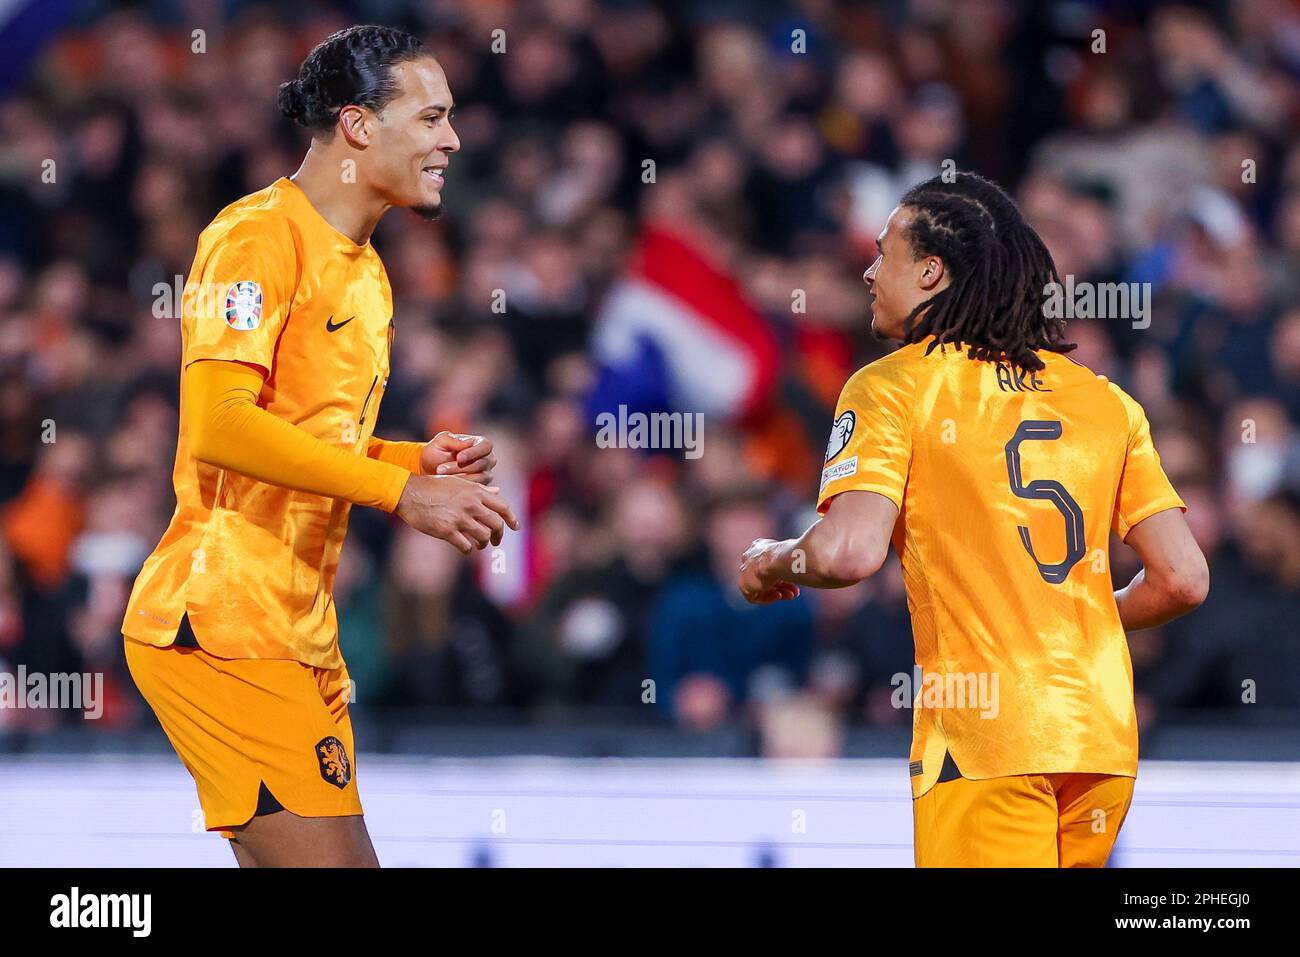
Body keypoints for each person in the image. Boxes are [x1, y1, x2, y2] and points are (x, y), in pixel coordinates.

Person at [120, 25, 518, 867]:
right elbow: (220, 425)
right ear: (360, 126)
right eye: (432, 117)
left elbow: (307, 437)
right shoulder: (254, 237)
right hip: (221, 621)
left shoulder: (368, 269)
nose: (451, 139)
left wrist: (412, 461)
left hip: (296, 630)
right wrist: (398, 494)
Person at [737, 171, 1209, 867]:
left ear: (930, 270)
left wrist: (771, 560)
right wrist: (1060, 614)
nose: (868, 271)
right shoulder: (1106, 402)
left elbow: (846, 552)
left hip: (987, 741)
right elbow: (1184, 578)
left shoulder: (893, 384)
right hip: (1101, 742)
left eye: (882, 252)